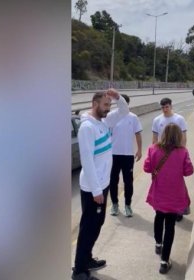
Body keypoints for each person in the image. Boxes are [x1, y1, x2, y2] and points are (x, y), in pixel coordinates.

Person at [72, 89, 129, 280]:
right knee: (89, 227)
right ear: (95, 103)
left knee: (97, 224)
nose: (108, 108)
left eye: (109, 105)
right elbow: (86, 160)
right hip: (92, 188)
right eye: (105, 105)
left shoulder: (103, 121)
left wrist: (117, 97)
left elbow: (124, 111)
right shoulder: (87, 127)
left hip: (102, 184)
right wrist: (97, 190)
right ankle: (79, 270)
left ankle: (87, 258)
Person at [143, 123, 194, 274]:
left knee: (159, 216)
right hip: (175, 195)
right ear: (178, 136)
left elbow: (147, 168)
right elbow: (188, 171)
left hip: (159, 192)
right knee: (170, 225)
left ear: (163, 134)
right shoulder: (183, 152)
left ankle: (158, 244)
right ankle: (165, 261)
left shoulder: (153, 149)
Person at [152, 97, 188, 221]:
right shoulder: (157, 120)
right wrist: (153, 156)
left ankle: (179, 211)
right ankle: (161, 209)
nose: (165, 109)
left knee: (178, 185)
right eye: (162, 107)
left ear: (171, 106)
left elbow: (183, 137)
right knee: (163, 184)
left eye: (166, 107)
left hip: (176, 155)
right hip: (162, 155)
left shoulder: (179, 119)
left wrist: (182, 153)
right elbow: (155, 138)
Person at [109, 94, 142, 217]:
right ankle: (114, 204)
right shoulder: (111, 116)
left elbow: (138, 134)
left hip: (128, 155)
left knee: (128, 182)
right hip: (113, 155)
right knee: (113, 181)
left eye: (123, 103)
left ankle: (128, 205)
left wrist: (139, 150)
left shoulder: (133, 117)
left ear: (126, 104)